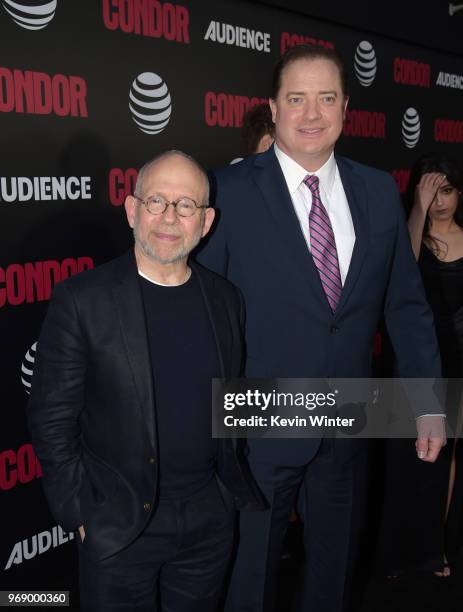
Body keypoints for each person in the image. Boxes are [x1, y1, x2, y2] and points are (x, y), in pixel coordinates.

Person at [197, 45, 445, 612]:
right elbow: (204, 314)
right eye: (297, 99)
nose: (312, 114)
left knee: (333, 574)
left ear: (346, 106)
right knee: (250, 576)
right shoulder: (227, 192)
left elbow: (406, 307)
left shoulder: (380, 191)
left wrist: (429, 404)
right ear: (274, 107)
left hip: (349, 418)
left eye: (326, 97)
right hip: (257, 420)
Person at [27, 150, 265, 612]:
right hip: (119, 524)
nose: (170, 217)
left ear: (206, 221)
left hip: (208, 519)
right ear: (132, 209)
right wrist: (80, 514)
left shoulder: (225, 299)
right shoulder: (83, 300)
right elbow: (51, 420)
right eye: (156, 200)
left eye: (186, 206)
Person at [381, 154, 463, 577]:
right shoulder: (413, 232)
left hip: (458, 359)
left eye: (447, 190)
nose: (440, 201)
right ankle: (398, 551)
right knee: (406, 456)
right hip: (417, 358)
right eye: (432, 191)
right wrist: (418, 206)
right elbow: (403, 270)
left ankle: (436, 549)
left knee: (447, 456)